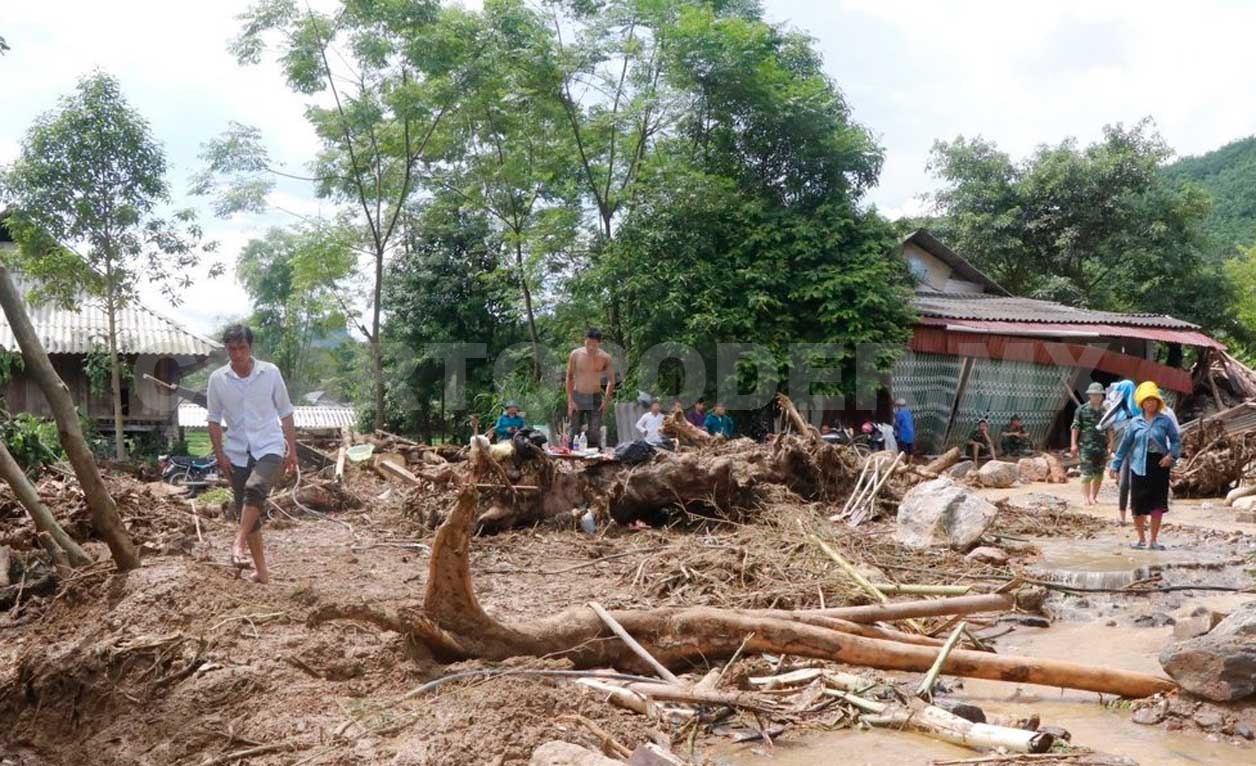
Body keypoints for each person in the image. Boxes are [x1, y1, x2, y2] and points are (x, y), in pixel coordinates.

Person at [207, 324, 297, 585]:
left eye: (242, 348)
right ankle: (262, 572)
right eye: (232, 349)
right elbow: (213, 420)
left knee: (255, 488)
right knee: (251, 512)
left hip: (269, 445)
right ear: (227, 349)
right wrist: (220, 454)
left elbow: (286, 412)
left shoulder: (269, 373)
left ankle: (238, 542)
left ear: (250, 347)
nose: (237, 354)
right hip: (236, 452)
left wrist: (292, 449)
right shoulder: (218, 379)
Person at [1109, 382, 1181, 550]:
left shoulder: (1165, 421)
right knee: (1138, 504)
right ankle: (1141, 539)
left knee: (1157, 504)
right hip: (1138, 466)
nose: (1151, 403)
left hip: (1160, 467)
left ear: (1158, 402)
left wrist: (1171, 456)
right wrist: (1116, 465)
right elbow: (1125, 446)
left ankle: (1153, 540)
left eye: (1154, 400)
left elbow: (1176, 441)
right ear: (1141, 403)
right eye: (1147, 400)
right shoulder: (1135, 422)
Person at [566, 328, 615, 449]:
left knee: (594, 430)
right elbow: (569, 377)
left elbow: (611, 380)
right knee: (574, 429)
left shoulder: (605, 357)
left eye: (594, 344)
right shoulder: (575, 354)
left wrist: (606, 400)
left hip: (595, 396)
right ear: (584, 341)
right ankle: (571, 461)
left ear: (599, 343)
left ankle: (592, 461)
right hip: (578, 395)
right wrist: (570, 400)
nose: (591, 347)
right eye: (588, 343)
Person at [1072, 383, 1114, 508]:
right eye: (1093, 394)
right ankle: (1086, 498)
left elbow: (1110, 428)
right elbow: (1075, 427)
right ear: (1089, 395)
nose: (1096, 397)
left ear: (1102, 396)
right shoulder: (1082, 410)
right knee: (1086, 473)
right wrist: (1073, 444)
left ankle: (1093, 496)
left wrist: (1111, 443)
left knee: (1099, 474)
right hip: (1086, 446)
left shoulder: (1106, 411)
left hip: (1102, 447)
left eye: (1098, 394)